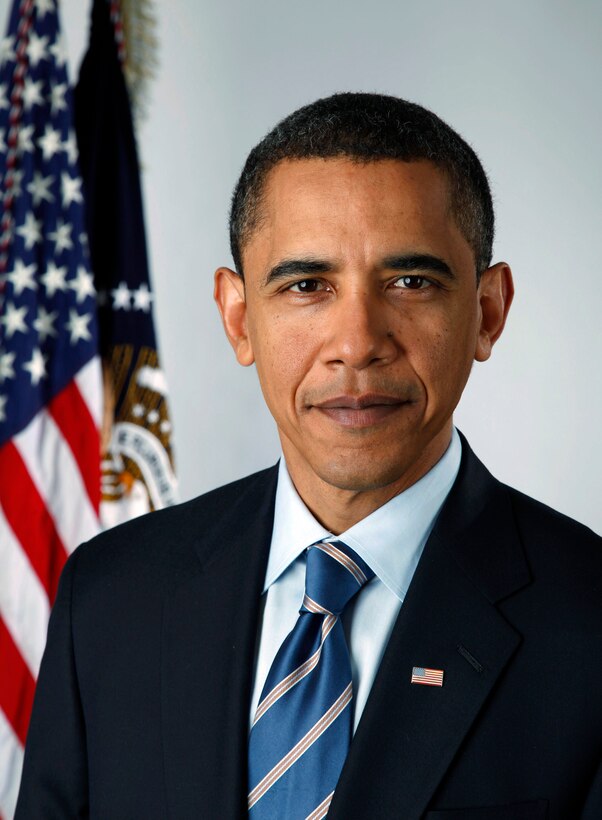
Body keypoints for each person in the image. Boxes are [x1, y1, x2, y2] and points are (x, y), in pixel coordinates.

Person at [16, 93, 602, 819]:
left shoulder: (590, 627)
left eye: (410, 282)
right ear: (238, 319)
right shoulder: (108, 601)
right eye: (306, 286)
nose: (356, 341)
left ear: (487, 311)